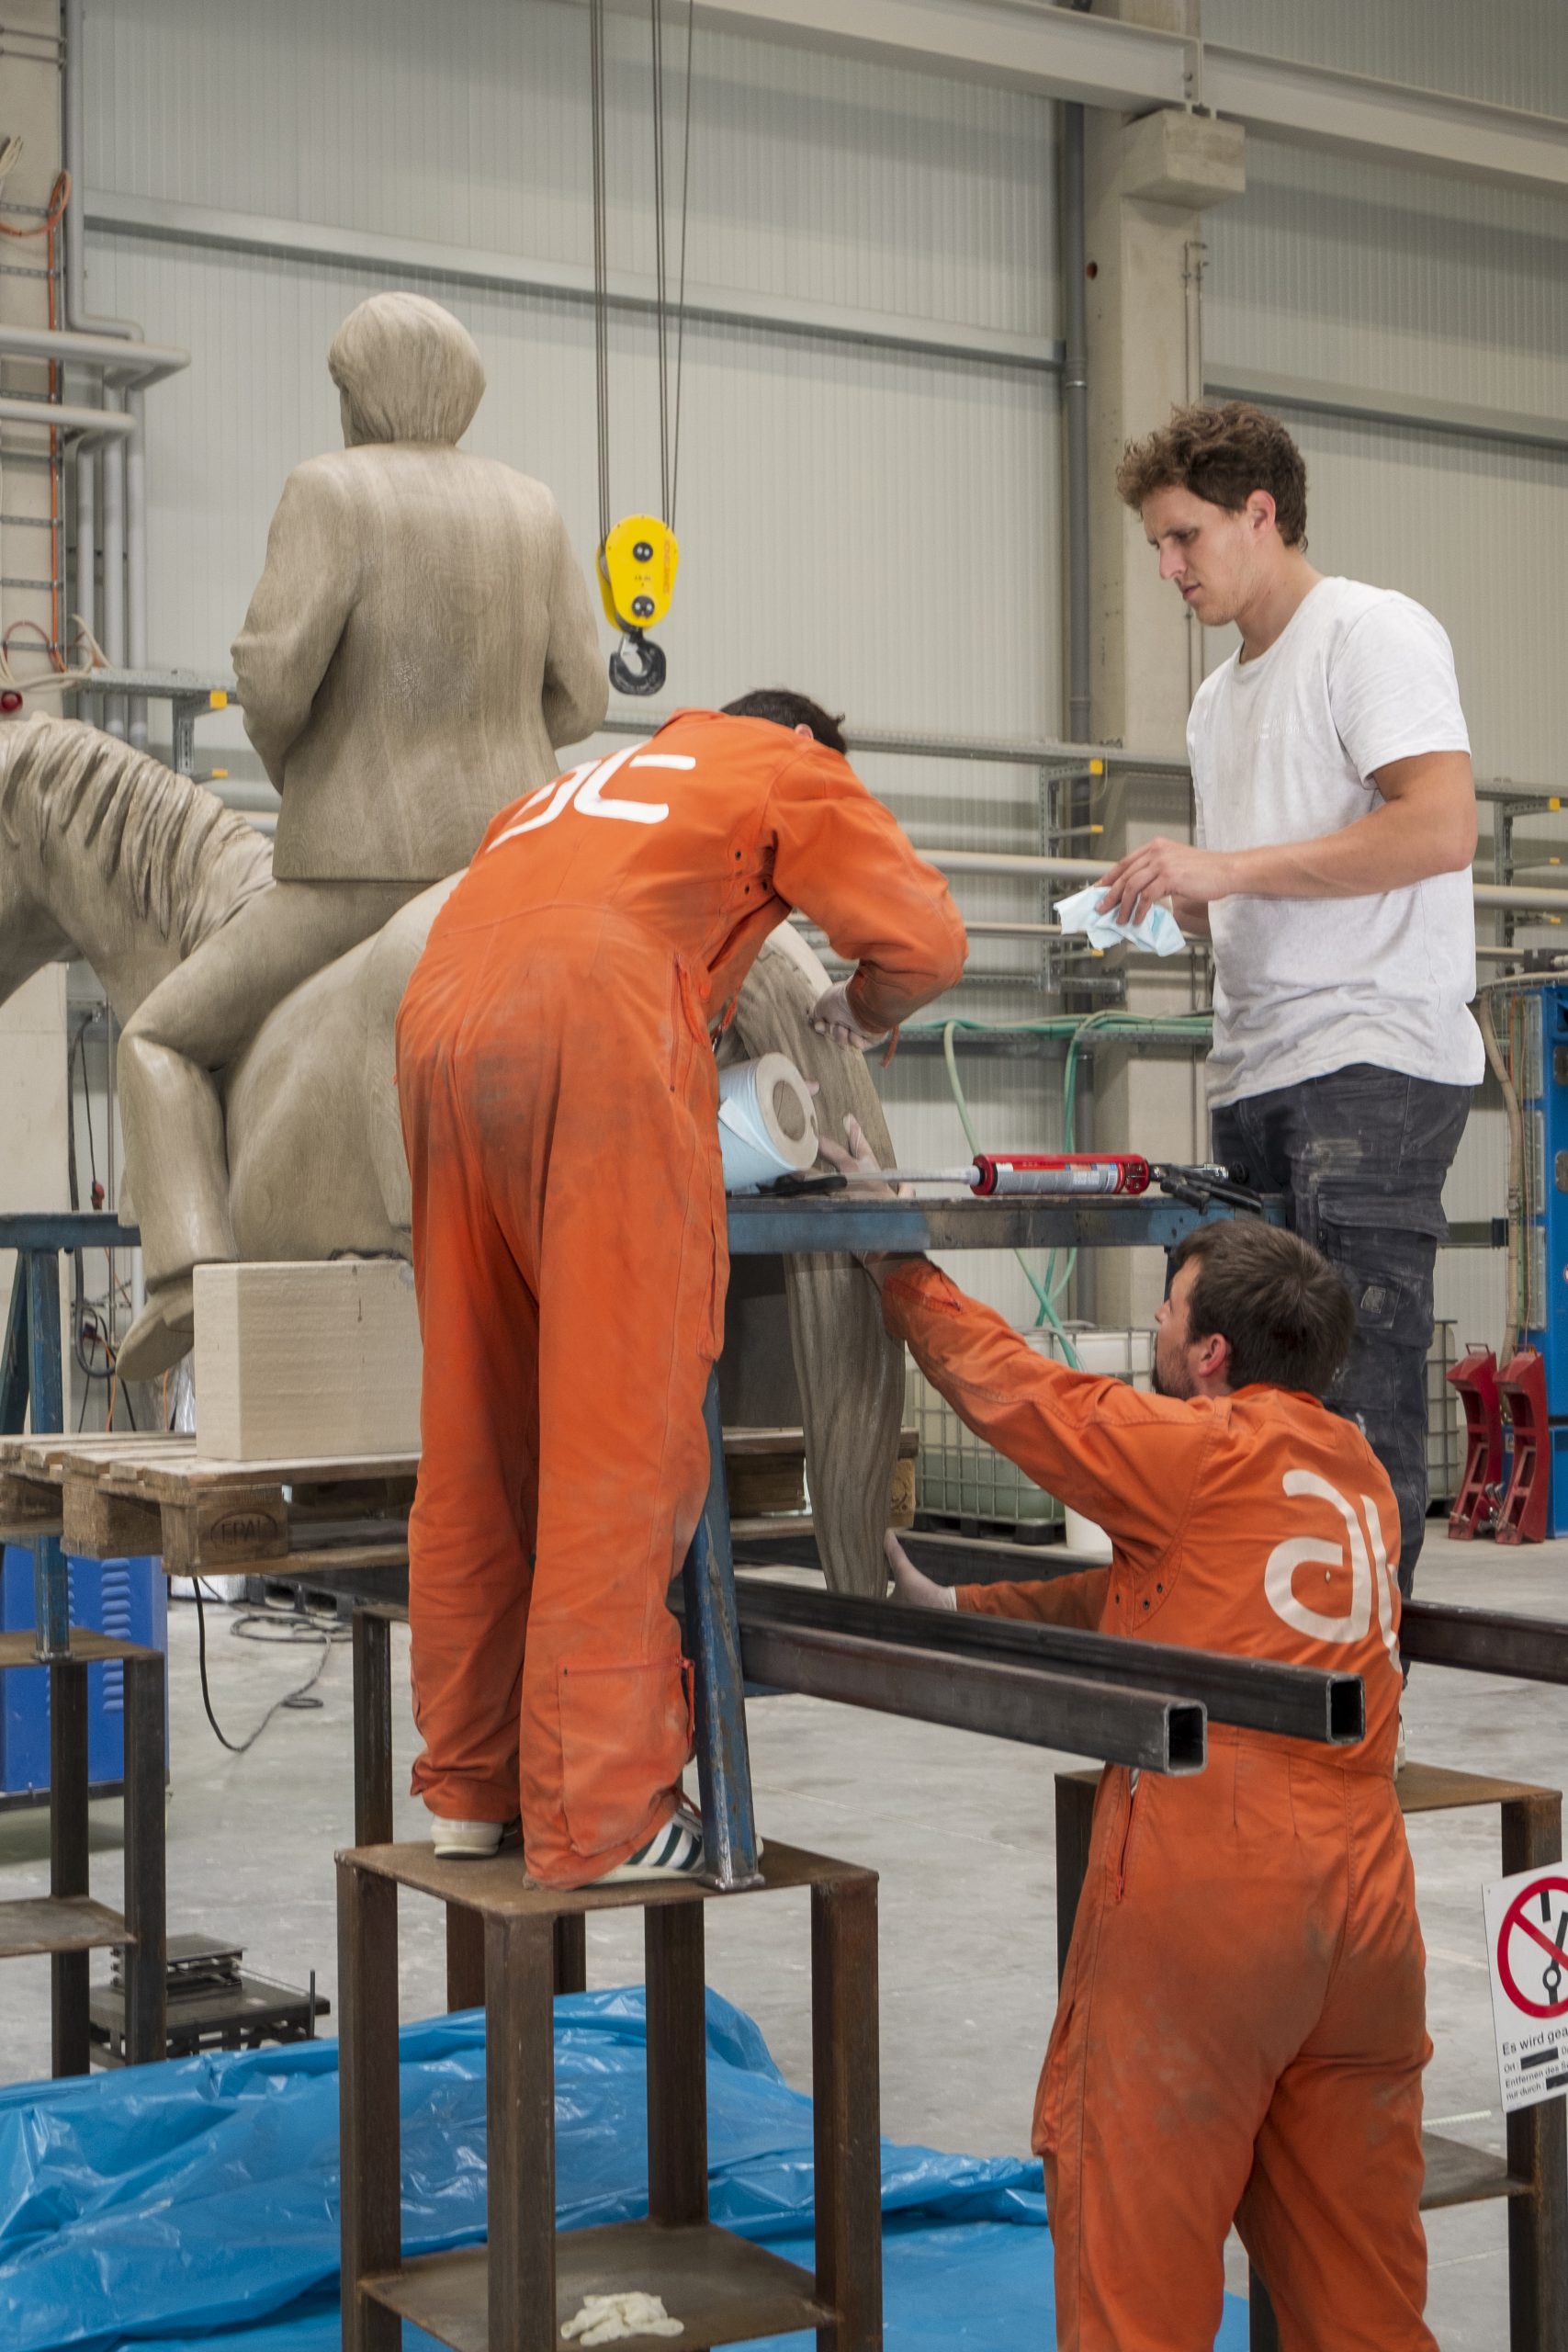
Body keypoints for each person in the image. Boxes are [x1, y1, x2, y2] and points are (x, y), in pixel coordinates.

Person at [826, 1123, 1433, 2351]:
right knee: (1358, 2291)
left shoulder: (1198, 1448)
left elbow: (1022, 1396)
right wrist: (967, 1610)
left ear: (1209, 1355)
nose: (1150, 1337)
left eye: (1162, 1318)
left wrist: (897, 1260)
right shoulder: (1348, 1469)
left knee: (1132, 2260)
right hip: (1365, 1908)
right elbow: (1157, 1603)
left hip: (1216, 1889)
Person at [395, 693, 967, 1886]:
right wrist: (858, 1015)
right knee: (618, 1439)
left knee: (477, 1429)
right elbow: (921, 939)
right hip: (595, 1032)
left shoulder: (562, 793)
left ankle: (471, 1783)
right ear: (815, 746)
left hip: (440, 1033)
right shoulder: (782, 764)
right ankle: (603, 1815)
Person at [116, 291, 606, 1379]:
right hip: (515, 861)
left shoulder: (328, 491)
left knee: (156, 1036)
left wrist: (303, 751)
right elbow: (582, 697)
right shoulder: (533, 506)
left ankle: (186, 1281)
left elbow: (277, 676)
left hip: (353, 874)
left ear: (358, 393)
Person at [1095, 401, 1481, 1595]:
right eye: (1157, 544)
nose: (1167, 567)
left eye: (1183, 537)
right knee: (1239, 1392)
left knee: (1349, 1403)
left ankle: (1353, 1711)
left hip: (1369, 1071)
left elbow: (1436, 824)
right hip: (1256, 1072)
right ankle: (1271, 1686)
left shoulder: (1366, 633)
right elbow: (1264, 881)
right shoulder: (1217, 701)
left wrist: (1229, 871)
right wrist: (1176, 897)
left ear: (1258, 514)